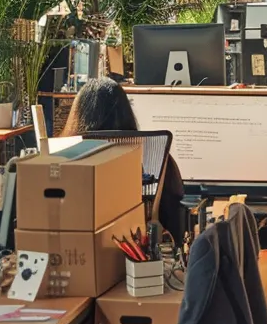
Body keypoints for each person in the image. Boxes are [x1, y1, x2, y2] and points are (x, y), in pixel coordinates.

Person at [57, 77, 187, 242]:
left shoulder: (62, 159)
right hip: (140, 249)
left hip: (81, 248)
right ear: (127, 113)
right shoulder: (159, 161)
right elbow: (175, 210)